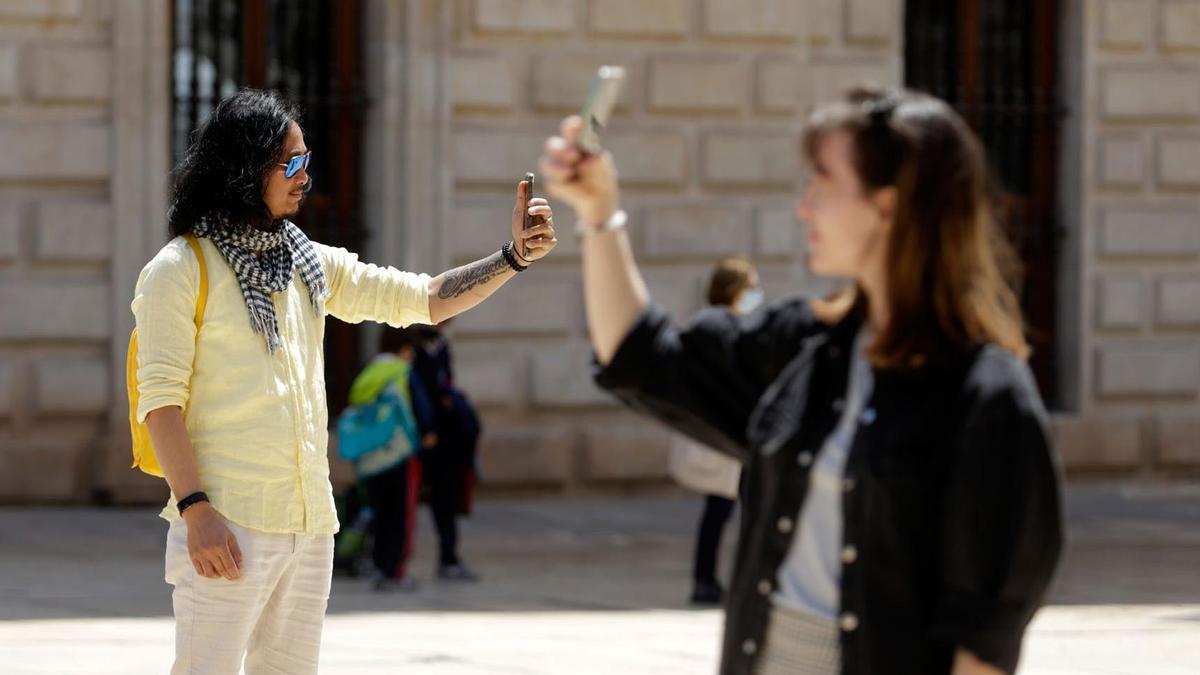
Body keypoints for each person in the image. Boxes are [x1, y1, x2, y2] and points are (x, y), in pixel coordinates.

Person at [541, 84, 1063, 674]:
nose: (804, 205)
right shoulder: (804, 349)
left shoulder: (988, 402)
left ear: (888, 205)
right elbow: (642, 357)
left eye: (822, 180)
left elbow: (984, 641)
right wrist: (599, 215)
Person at [132, 88, 556, 673]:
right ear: (245, 166)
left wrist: (513, 258)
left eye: (309, 161)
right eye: (292, 163)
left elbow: (423, 299)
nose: (306, 177)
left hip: (310, 525)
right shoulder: (179, 270)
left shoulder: (307, 261)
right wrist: (197, 510)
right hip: (228, 522)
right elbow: (160, 404)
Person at [674, 256, 763, 605]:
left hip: (731, 437)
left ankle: (711, 580)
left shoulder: (716, 324)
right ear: (735, 289)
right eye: (751, 285)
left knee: (726, 510)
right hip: (728, 437)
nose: (756, 292)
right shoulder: (721, 327)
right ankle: (712, 580)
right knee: (727, 510)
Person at [343, 325, 436, 592]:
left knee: (379, 512)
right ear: (406, 349)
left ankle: (378, 565)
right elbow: (420, 408)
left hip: (369, 457)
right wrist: (428, 434)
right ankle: (395, 570)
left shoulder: (368, 372)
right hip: (397, 453)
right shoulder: (401, 372)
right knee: (400, 516)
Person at [411, 324, 483, 581]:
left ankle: (449, 558)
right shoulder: (413, 350)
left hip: (448, 442)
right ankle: (384, 562)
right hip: (424, 440)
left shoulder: (441, 347)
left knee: (446, 502)